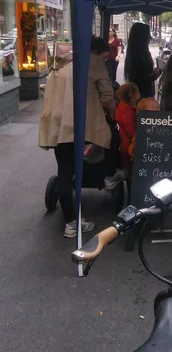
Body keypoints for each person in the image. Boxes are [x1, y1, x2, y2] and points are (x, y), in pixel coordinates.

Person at [39, 37, 117, 237]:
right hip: (84, 128)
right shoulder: (95, 64)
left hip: (60, 128)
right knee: (107, 141)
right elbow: (107, 96)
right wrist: (115, 112)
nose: (106, 60)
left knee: (64, 172)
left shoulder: (62, 66)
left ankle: (71, 222)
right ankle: (109, 175)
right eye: (105, 56)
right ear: (98, 52)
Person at [124, 22, 160, 98]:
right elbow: (141, 77)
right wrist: (156, 73)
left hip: (140, 93)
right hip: (143, 94)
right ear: (142, 36)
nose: (150, 37)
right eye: (148, 34)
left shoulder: (133, 52)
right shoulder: (139, 54)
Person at [115, 82, 140, 181]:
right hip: (128, 148)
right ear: (133, 96)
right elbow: (131, 131)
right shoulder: (128, 112)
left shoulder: (120, 107)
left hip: (123, 146)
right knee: (130, 173)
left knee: (126, 171)